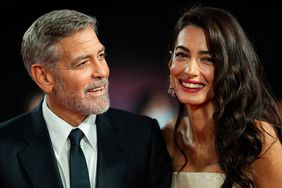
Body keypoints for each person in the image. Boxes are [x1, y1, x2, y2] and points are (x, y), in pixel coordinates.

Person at [0, 9, 172, 188]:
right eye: (83, 63)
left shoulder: (143, 137)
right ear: (44, 77)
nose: (102, 72)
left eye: (101, 56)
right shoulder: (4, 147)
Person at [162, 6, 282, 188]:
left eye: (207, 59)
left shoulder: (255, 139)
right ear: (170, 63)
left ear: (230, 69)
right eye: (182, 55)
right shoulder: (168, 138)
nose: (190, 70)